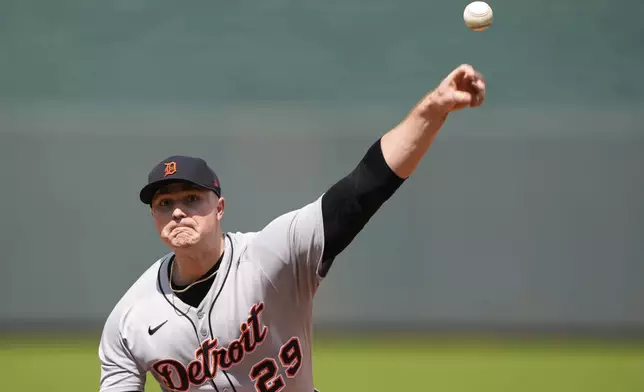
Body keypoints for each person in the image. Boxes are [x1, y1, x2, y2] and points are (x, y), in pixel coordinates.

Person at [98, 64, 486, 392]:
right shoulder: (129, 319)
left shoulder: (272, 256)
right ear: (154, 218)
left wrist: (432, 109)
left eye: (191, 199)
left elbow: (363, 188)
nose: (178, 212)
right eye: (164, 204)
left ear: (219, 208)